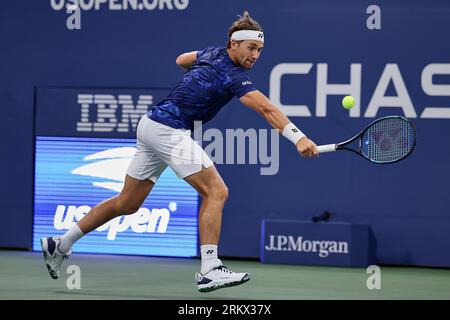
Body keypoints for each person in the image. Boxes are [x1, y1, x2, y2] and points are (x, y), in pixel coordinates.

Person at [40, 11, 318, 293]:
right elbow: (266, 109)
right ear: (234, 44)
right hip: (167, 130)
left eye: (259, 50)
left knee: (127, 203)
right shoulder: (234, 76)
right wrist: (299, 138)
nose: (256, 55)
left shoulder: (211, 53)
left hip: (150, 125)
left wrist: (199, 77)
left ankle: (60, 243)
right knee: (216, 192)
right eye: (251, 48)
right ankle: (210, 269)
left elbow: (182, 59)